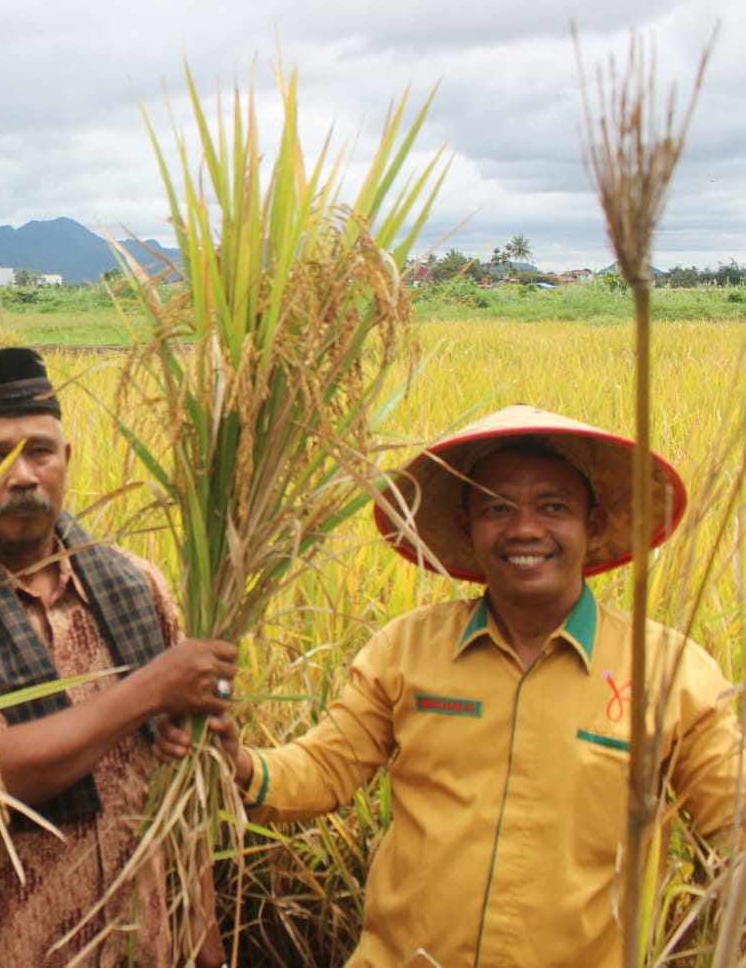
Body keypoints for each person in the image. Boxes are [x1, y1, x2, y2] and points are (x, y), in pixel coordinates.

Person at [212, 405, 745, 967]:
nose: (525, 530)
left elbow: (732, 821)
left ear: (591, 525)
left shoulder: (669, 672)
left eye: (553, 507)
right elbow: (325, 769)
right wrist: (240, 765)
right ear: (468, 528)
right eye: (497, 508)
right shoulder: (407, 650)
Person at [0, 347, 239, 968]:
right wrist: (151, 690)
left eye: (40, 451)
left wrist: (202, 931)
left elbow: (186, 782)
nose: (23, 475)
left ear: (67, 460)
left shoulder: (137, 586)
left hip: (147, 948)